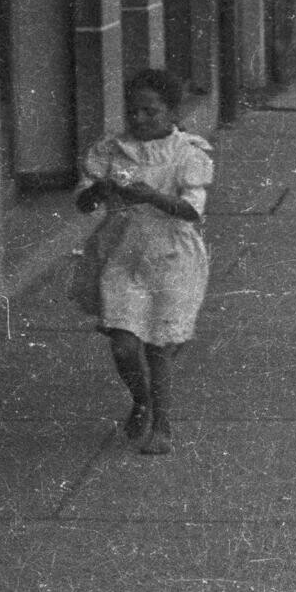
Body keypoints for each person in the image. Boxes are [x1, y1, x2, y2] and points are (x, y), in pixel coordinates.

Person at [76, 69, 211, 455]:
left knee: (158, 345)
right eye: (133, 111)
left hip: (171, 256)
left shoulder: (186, 153)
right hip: (122, 252)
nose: (138, 119)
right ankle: (141, 398)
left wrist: (149, 195)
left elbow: (191, 209)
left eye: (150, 112)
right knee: (122, 343)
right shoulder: (112, 150)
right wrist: (100, 190)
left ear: (171, 112)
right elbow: (83, 204)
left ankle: (162, 425)